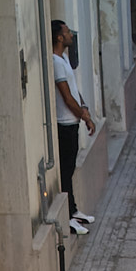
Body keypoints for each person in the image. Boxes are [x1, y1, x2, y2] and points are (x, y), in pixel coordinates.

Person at [51, 19, 95, 235]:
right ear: (59, 37)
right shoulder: (55, 62)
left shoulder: (64, 58)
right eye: (67, 32)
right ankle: (67, 217)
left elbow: (75, 91)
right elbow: (67, 98)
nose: (70, 35)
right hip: (65, 124)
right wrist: (85, 117)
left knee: (71, 168)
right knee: (66, 171)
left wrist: (83, 107)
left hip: (73, 121)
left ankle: (74, 209)